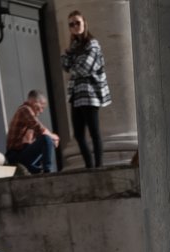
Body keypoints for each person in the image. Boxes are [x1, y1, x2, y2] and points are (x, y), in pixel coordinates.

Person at [61, 10, 110, 169]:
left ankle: (99, 166)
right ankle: (90, 166)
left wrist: (72, 63)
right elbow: (65, 65)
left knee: (94, 132)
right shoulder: (74, 46)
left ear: (84, 23)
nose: (75, 26)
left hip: (90, 93)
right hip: (76, 94)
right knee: (78, 134)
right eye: (71, 24)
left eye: (77, 23)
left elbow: (84, 68)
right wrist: (68, 53)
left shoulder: (92, 44)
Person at [6, 90, 60, 175]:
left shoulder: (29, 116)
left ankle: (41, 168)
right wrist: (55, 137)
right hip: (15, 155)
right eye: (42, 107)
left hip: (24, 154)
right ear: (34, 102)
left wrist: (52, 138)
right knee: (46, 139)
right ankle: (48, 170)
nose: (41, 111)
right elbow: (39, 127)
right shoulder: (24, 109)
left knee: (47, 140)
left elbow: (40, 131)